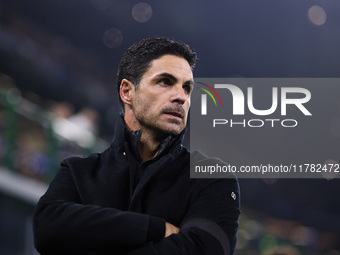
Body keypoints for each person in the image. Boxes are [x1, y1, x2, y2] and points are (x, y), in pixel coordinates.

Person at [33, 37, 241, 255]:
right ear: (127, 92)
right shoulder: (78, 171)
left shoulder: (211, 178)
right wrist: (154, 228)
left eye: (187, 88)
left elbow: (205, 250)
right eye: (165, 82)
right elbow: (46, 228)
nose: (181, 97)